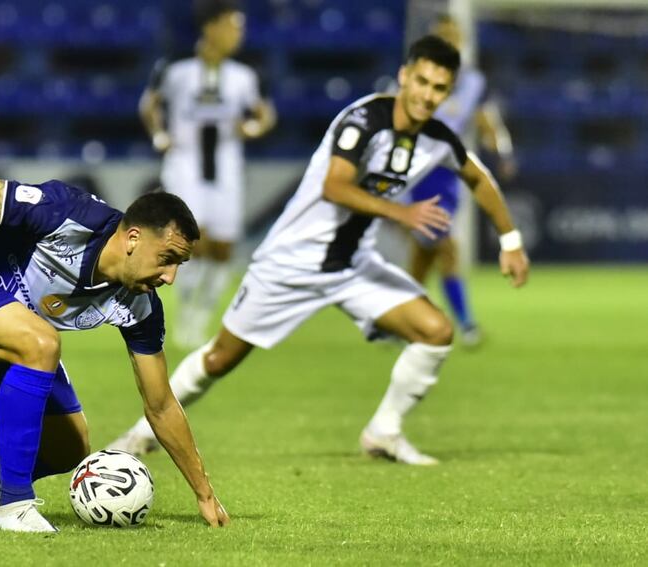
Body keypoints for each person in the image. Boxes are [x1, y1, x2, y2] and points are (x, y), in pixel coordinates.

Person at [109, 35, 529, 465]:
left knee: (436, 332)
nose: (427, 94)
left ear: (448, 92)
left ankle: (384, 432)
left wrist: (510, 242)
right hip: (291, 262)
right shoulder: (364, 121)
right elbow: (335, 186)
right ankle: (142, 434)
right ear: (405, 76)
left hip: (353, 266)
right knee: (219, 358)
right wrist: (399, 213)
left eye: (439, 88)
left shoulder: (438, 139)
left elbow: (479, 179)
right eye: (421, 81)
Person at [0, 175, 229, 532]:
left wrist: (203, 491)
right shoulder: (65, 211)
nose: (170, 278)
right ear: (133, 238)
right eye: (167, 259)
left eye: (178, 265)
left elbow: (161, 404)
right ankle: (13, 506)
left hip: (12, 321)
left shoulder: (140, 306)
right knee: (41, 343)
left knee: (68, 446)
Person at [139, 0, 276, 348]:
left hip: (227, 168)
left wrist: (254, 129)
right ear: (211, 27)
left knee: (224, 249)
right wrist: (160, 135)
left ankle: (202, 315)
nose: (238, 34)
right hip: (185, 166)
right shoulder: (176, 67)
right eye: (233, 26)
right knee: (191, 242)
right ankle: (185, 316)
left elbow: (265, 114)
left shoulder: (244, 74)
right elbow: (149, 104)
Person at [401, 15, 516, 347]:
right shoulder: (420, 78)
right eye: (443, 36)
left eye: (454, 36)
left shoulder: (472, 82)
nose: (450, 42)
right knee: (446, 247)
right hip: (419, 170)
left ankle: (397, 321)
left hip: (449, 171)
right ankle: (465, 324)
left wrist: (501, 151)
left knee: (423, 256)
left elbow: (485, 121)